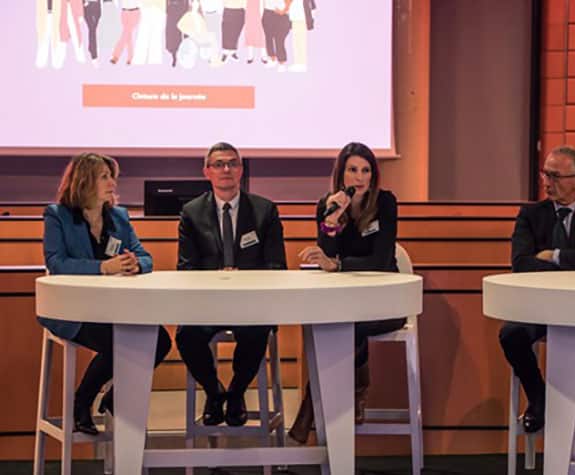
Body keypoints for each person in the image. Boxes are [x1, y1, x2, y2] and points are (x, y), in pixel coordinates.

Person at [38, 152, 172, 435]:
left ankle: (115, 396)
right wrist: (103, 267)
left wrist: (136, 265)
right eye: (104, 177)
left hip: (114, 309)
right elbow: (57, 264)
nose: (112, 183)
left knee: (159, 340)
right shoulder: (57, 215)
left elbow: (146, 257)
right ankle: (83, 400)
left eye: (113, 177)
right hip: (72, 310)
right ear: (85, 181)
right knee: (121, 341)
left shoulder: (119, 218)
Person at [288, 142, 406, 444]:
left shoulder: (386, 203)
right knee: (339, 325)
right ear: (342, 173)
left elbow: (380, 261)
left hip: (385, 301)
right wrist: (332, 220)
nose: (359, 177)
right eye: (353, 170)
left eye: (366, 170)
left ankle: (309, 411)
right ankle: (356, 388)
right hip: (347, 302)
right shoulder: (326, 205)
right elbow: (326, 255)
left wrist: (338, 265)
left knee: (346, 327)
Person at [499, 145, 575, 434]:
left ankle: (566, 403)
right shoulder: (530, 214)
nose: (547, 182)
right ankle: (540, 397)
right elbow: (521, 264)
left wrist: (552, 255)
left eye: (555, 176)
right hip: (541, 308)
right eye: (545, 174)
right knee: (510, 334)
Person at [175, 142, 287, 427]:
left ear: (241, 170)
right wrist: (219, 278)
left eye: (232, 163)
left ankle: (236, 393)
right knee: (186, 335)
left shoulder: (265, 210)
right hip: (207, 303)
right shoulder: (192, 212)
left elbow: (277, 267)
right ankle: (214, 393)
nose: (226, 169)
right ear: (207, 172)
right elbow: (186, 269)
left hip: (250, 303)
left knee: (257, 330)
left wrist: (241, 278)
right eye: (219, 164)